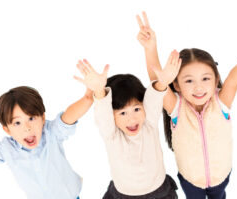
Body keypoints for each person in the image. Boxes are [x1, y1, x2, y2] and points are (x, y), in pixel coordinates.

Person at [136, 11, 237, 199]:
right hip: (190, 179)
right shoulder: (176, 107)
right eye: (189, 81)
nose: (198, 87)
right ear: (177, 85)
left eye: (205, 78)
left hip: (221, 175)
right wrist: (150, 48)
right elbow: (157, 80)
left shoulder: (221, 102)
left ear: (216, 80)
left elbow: (234, 79)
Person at [0, 75, 94, 199]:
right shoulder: (6, 148)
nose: (27, 127)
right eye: (17, 123)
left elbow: (67, 118)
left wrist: (88, 98)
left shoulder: (51, 133)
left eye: (31, 118)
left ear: (43, 118)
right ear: (7, 129)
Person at [73, 55, 179, 198]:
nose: (132, 118)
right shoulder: (111, 134)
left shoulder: (149, 123)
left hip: (158, 192)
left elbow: (154, 99)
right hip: (124, 195)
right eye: (123, 113)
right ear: (112, 115)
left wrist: (162, 83)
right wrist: (99, 90)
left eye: (136, 109)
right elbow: (103, 113)